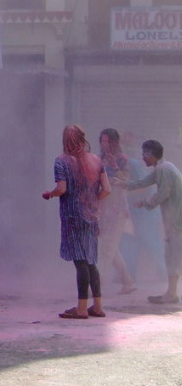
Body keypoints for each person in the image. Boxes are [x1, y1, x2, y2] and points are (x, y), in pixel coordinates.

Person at [42, 124, 111, 319]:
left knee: (80, 262)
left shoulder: (61, 162)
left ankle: (81, 308)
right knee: (91, 261)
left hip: (73, 217)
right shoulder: (96, 160)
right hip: (92, 216)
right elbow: (107, 189)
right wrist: (93, 199)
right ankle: (97, 305)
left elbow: (62, 188)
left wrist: (50, 194)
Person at [118, 139, 182, 305]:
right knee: (171, 256)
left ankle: (172, 294)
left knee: (173, 256)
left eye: (144, 154)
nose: (143, 158)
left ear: (151, 155)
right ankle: (171, 292)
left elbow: (163, 193)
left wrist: (145, 202)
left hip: (176, 222)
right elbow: (143, 182)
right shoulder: (163, 168)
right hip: (174, 221)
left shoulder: (164, 169)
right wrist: (123, 184)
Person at [97, 128, 136, 295]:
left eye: (107, 141)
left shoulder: (121, 159)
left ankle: (98, 285)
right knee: (109, 246)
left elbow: (127, 181)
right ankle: (127, 280)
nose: (104, 144)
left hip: (117, 208)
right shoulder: (99, 159)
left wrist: (114, 166)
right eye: (102, 141)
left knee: (107, 247)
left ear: (114, 142)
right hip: (103, 207)